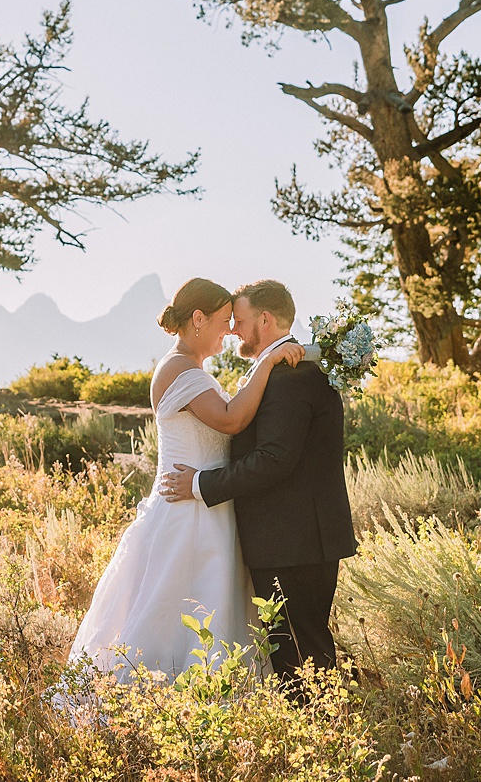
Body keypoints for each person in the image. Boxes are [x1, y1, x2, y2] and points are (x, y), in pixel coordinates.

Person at [65, 277, 304, 678]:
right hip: (188, 512)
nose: (230, 330)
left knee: (209, 610)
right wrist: (267, 362)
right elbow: (230, 420)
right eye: (225, 320)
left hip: (207, 504)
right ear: (198, 318)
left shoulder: (189, 368)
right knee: (178, 611)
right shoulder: (179, 369)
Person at [159, 280, 357, 681]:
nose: (233, 329)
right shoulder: (282, 371)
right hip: (288, 539)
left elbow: (273, 460)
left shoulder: (291, 374)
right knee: (293, 652)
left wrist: (201, 484)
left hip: (294, 541)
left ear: (265, 320)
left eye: (241, 320)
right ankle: (313, 729)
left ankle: (321, 733)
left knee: (302, 653)